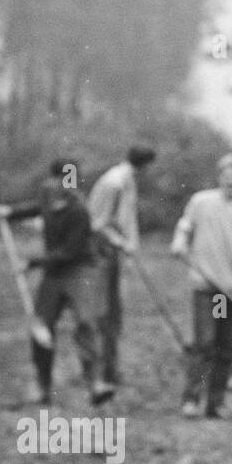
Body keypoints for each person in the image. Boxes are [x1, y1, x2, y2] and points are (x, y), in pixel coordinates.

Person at [0, 161, 113, 406]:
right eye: (56, 180)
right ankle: (42, 386)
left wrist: (32, 263)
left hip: (80, 269)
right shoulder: (47, 198)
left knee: (86, 323)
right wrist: (9, 212)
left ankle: (95, 382)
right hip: (54, 273)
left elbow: (71, 251)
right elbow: (35, 208)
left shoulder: (79, 211)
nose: (57, 186)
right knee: (41, 325)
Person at [170, 154, 232, 419]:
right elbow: (185, 227)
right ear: (220, 177)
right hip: (205, 287)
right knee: (204, 343)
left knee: (225, 346)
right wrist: (179, 241)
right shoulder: (201, 202)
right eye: (227, 178)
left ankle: (215, 404)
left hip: (228, 293)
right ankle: (191, 399)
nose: (231, 183)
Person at [87, 144, 157, 387]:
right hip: (102, 255)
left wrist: (129, 245)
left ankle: (110, 370)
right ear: (145, 165)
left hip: (115, 255)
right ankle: (99, 374)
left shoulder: (128, 181)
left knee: (115, 314)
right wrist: (121, 243)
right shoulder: (113, 183)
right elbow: (97, 224)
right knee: (104, 313)